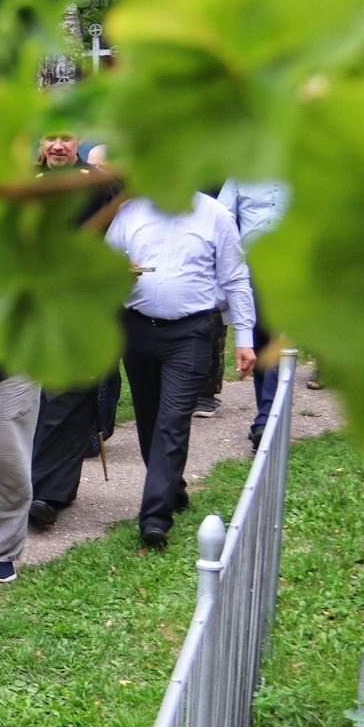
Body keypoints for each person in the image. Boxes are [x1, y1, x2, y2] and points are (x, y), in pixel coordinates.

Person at [105, 191, 257, 550]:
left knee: (172, 421)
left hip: (191, 333)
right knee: (148, 419)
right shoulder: (130, 212)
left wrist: (245, 338)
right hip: (137, 328)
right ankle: (172, 489)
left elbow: (236, 278)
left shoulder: (215, 215)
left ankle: (154, 518)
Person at [28, 132, 117, 529]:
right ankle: (29, 485)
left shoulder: (97, 184)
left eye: (66, 138)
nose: (58, 146)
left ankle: (49, 493)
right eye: (52, 137)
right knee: (30, 399)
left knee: (66, 396)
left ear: (76, 140)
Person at [218, 179, 290, 447]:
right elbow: (222, 215)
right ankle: (267, 414)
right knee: (259, 340)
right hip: (252, 269)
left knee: (279, 340)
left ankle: (267, 420)